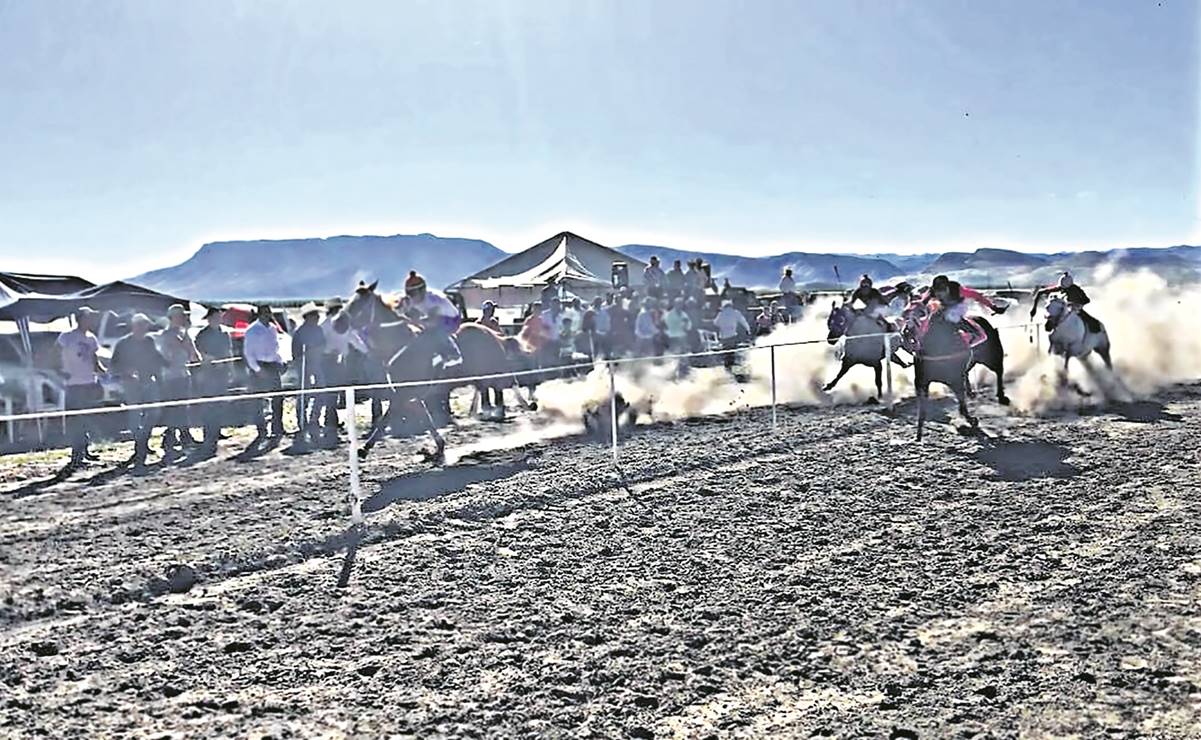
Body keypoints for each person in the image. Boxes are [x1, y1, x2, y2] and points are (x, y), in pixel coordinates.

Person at [111, 314, 167, 471]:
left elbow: (156, 358)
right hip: (131, 384)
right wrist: (126, 371)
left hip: (148, 381)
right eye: (141, 324)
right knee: (135, 415)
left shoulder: (149, 341)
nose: (144, 328)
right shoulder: (123, 343)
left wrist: (167, 365)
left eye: (145, 325)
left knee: (154, 412)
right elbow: (114, 364)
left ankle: (142, 442)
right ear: (134, 326)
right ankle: (139, 445)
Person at [56, 306, 105, 470]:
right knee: (76, 420)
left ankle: (84, 450)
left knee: (87, 418)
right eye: (88, 317)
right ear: (80, 319)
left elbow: (94, 359)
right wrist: (59, 371)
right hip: (73, 384)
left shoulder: (91, 338)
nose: (91, 321)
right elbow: (54, 353)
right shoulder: (67, 337)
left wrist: (104, 372)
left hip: (89, 382)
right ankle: (76, 455)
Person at [156, 304, 200, 460]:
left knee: (183, 408)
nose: (184, 318)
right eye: (181, 316)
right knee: (174, 409)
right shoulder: (167, 335)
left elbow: (194, 356)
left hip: (183, 374)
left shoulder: (183, 334)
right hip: (171, 377)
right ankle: (170, 440)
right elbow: (182, 346)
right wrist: (187, 333)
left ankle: (184, 436)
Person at [243, 304, 286, 439]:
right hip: (259, 365)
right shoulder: (252, 330)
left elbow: (275, 348)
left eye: (269, 313)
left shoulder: (273, 328)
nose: (268, 316)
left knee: (277, 398)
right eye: (265, 313)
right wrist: (257, 369)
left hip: (272, 365)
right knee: (258, 400)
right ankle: (262, 430)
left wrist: (280, 362)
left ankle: (277, 428)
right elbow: (248, 352)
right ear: (260, 314)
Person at [404, 271, 462, 369]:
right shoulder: (408, 300)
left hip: (450, 319)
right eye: (410, 294)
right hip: (430, 317)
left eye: (415, 293)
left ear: (422, 291)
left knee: (435, 330)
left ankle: (452, 354)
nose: (413, 296)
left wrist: (415, 322)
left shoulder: (434, 299)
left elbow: (433, 322)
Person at [194, 306, 232, 452]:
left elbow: (228, 351)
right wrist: (211, 359)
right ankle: (208, 433)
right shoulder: (202, 335)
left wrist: (230, 368)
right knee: (209, 404)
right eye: (215, 317)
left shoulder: (224, 333)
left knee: (220, 403)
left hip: (222, 372)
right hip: (208, 373)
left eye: (219, 317)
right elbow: (199, 352)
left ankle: (217, 430)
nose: (217, 320)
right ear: (209, 319)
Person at [291, 303, 328, 444]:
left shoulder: (318, 330)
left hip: (317, 365)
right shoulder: (300, 332)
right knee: (303, 395)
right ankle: (302, 422)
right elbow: (296, 353)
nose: (318, 317)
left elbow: (323, 345)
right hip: (304, 367)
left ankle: (314, 419)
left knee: (321, 393)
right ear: (308, 317)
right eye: (315, 315)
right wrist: (304, 360)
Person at [714, 300, 752, 369]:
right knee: (732, 350)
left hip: (723, 336)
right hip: (732, 335)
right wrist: (748, 329)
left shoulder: (721, 313)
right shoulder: (735, 312)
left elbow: (716, 323)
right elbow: (743, 321)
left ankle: (727, 364)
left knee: (726, 350)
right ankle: (731, 364)